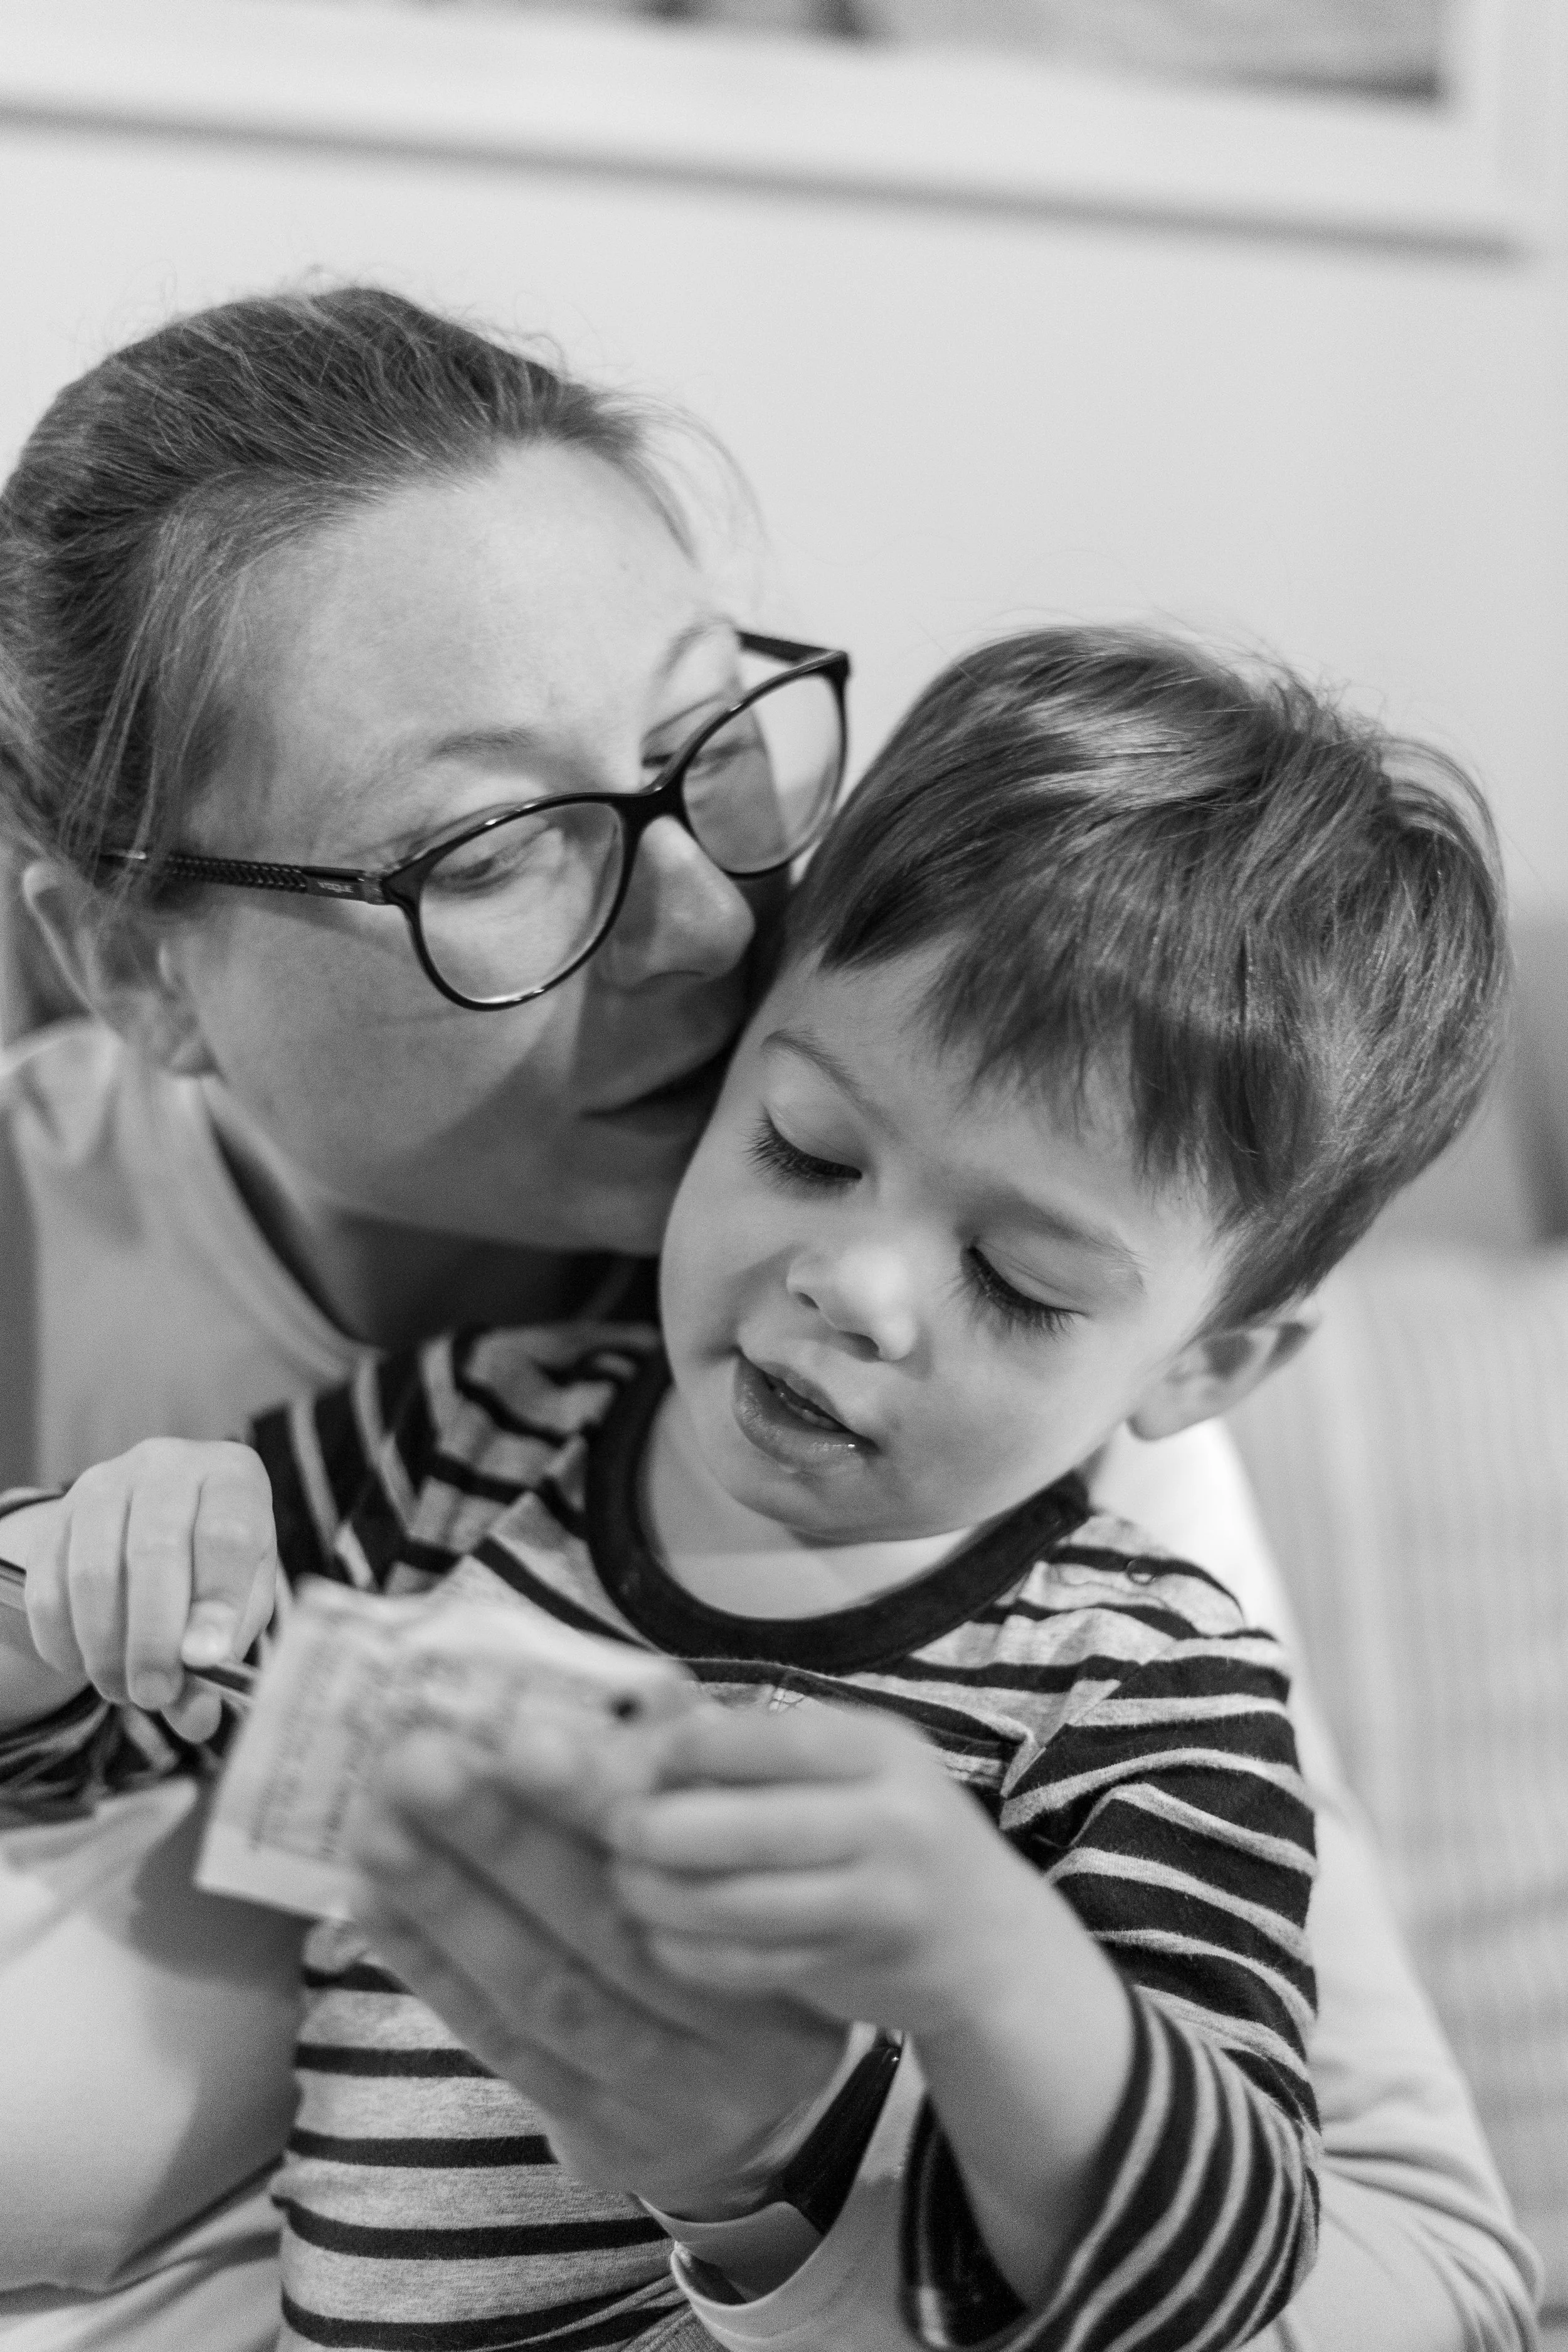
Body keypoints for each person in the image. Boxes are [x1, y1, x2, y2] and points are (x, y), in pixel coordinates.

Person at [0, 290, 1541, 2352]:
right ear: (130, 957)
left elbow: (1415, 2266)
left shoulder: (1028, 1411)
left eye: (708, 751)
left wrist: (833, 2149)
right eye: (496, 843)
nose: (715, 919)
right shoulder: (455, 1443)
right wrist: (55, 1604)